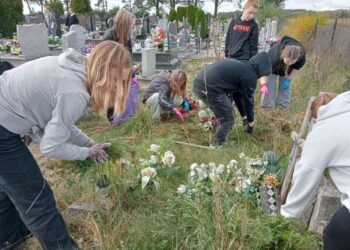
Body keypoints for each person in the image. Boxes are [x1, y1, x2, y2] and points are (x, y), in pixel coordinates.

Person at [0, 40, 132, 250]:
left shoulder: (73, 67)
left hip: (4, 116)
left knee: (9, 185)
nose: (117, 88)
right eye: (116, 80)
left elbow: (61, 123)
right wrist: (88, 152)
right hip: (2, 127)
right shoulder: (75, 92)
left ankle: (9, 238)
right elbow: (51, 147)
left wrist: (91, 144)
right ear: (105, 72)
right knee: (37, 200)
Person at [280, 91, 350, 250]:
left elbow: (306, 173)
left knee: (335, 235)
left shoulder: (325, 128)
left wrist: (285, 217)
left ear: (315, 119)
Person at [193, 52, 271, 146]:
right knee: (229, 118)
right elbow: (249, 101)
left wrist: (244, 117)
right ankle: (217, 144)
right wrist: (251, 122)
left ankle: (215, 131)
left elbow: (237, 96)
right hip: (209, 86)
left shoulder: (244, 66)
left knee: (224, 113)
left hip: (200, 82)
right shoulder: (250, 75)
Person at [222, 0, 259, 126]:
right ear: (244, 9)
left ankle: (248, 119)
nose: (251, 16)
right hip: (231, 58)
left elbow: (253, 47)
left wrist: (253, 64)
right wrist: (226, 53)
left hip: (244, 60)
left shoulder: (253, 26)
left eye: (254, 14)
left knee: (242, 92)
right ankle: (231, 118)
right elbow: (228, 38)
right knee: (231, 90)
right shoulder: (234, 22)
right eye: (250, 12)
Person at [103, 9, 135, 122]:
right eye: (128, 25)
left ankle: (122, 114)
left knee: (124, 93)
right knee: (113, 92)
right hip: (112, 71)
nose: (130, 28)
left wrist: (132, 73)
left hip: (123, 70)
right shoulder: (109, 35)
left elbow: (129, 55)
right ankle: (112, 117)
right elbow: (106, 57)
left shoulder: (126, 35)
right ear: (123, 23)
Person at [261, 36, 306, 109]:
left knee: (285, 87)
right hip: (272, 68)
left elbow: (296, 69)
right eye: (288, 61)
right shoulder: (275, 57)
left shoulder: (301, 58)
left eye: (292, 62)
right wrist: (264, 84)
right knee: (270, 85)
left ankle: (283, 108)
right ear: (283, 56)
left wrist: (289, 79)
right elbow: (265, 71)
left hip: (287, 70)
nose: (289, 63)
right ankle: (267, 107)